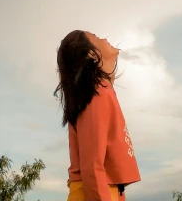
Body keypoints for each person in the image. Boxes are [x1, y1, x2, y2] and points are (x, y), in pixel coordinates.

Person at [54, 30, 141, 201]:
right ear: (92, 54)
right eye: (96, 37)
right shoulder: (96, 94)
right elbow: (92, 166)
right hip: (94, 191)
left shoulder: (102, 91)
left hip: (103, 190)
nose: (104, 38)